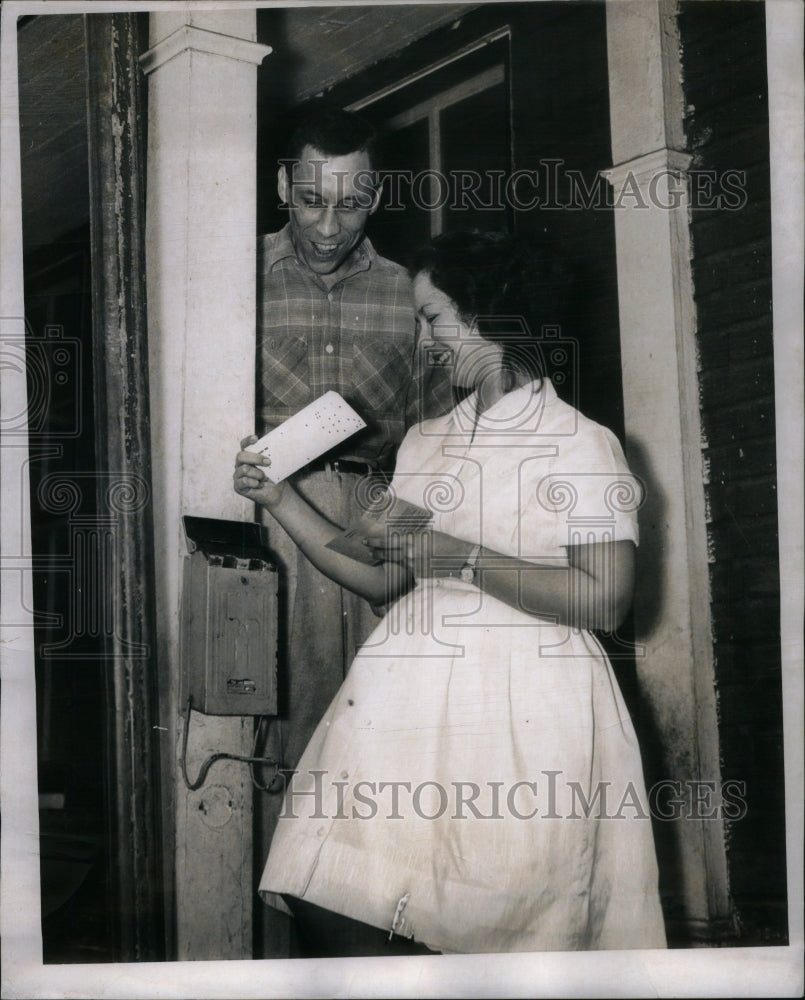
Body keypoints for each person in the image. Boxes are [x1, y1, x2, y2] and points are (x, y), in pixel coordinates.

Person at [236, 230, 667, 955]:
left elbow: (604, 599)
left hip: (523, 704)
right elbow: (381, 576)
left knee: (498, 927)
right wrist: (280, 501)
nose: (423, 336)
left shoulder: (580, 443)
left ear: (488, 318)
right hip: (402, 698)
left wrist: (459, 556)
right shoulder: (425, 440)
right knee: (333, 900)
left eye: (433, 316)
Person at [256, 107, 453, 774]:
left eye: (352, 203)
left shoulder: (411, 294)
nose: (328, 226)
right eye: (311, 200)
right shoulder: (231, 280)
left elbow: (435, 435)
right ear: (283, 186)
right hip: (266, 513)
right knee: (276, 720)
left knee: (380, 722)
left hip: (379, 512)